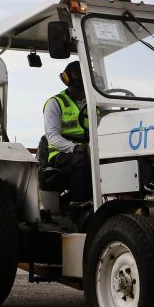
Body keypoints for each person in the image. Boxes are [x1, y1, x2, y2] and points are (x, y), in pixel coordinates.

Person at [43, 61, 93, 205]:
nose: (82, 78)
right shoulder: (55, 103)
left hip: (90, 150)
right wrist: (75, 148)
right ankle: (81, 208)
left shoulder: (94, 104)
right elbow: (52, 137)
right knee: (81, 162)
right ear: (66, 78)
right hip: (61, 154)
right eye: (78, 74)